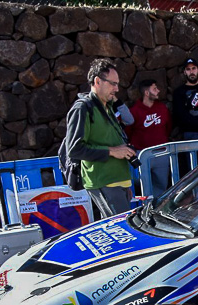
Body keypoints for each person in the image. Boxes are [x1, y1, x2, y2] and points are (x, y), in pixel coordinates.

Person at [64, 58, 136, 218]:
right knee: (122, 229)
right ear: (97, 81)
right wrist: (112, 151)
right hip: (104, 181)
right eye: (113, 84)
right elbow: (75, 150)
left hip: (117, 182)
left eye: (117, 84)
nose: (117, 89)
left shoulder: (107, 106)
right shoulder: (82, 108)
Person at [125, 79, 172, 199]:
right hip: (142, 154)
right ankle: (144, 207)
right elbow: (128, 131)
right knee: (141, 185)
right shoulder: (134, 111)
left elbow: (168, 127)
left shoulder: (162, 108)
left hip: (161, 153)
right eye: (154, 89)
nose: (158, 91)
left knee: (161, 186)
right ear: (146, 93)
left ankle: (158, 207)